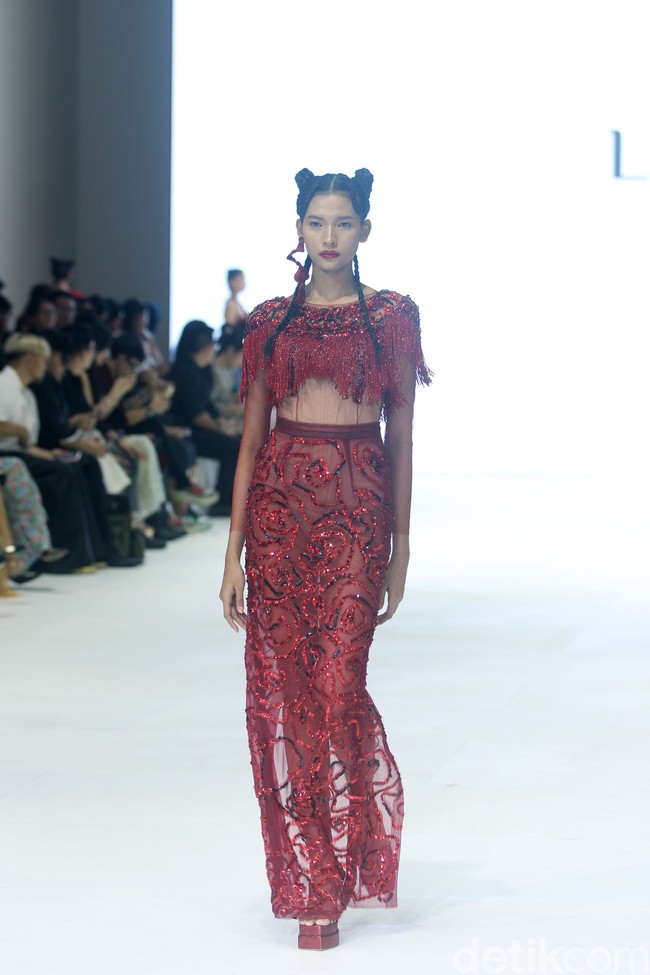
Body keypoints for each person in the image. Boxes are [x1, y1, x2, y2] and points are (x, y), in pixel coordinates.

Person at [219, 168, 432, 950]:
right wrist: (234, 549)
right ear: (300, 229)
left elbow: (402, 440)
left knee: (337, 690)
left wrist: (402, 546)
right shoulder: (271, 322)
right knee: (288, 695)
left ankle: (348, 851)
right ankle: (314, 882)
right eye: (317, 222)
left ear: (364, 230)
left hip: (357, 516)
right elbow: (248, 441)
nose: (330, 235)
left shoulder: (391, 319)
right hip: (279, 516)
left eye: (344, 222)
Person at [170, 319, 240, 514]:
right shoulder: (187, 372)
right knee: (234, 447)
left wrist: (220, 423)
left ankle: (226, 499)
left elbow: (206, 406)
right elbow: (197, 414)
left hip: (195, 428)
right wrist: (220, 428)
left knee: (236, 443)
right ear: (205, 347)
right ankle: (223, 501)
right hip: (188, 431)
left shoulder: (196, 370)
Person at [223, 268, 247, 338]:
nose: (244, 282)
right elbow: (229, 331)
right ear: (232, 282)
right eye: (241, 279)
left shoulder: (237, 303)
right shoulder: (230, 304)